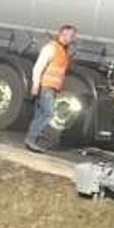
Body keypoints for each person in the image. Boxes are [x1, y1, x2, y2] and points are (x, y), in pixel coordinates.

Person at [25, 24, 78, 152]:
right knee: (48, 113)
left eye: (72, 36)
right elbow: (39, 66)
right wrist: (35, 84)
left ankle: (33, 137)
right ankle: (31, 139)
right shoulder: (51, 48)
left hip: (52, 87)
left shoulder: (63, 51)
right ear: (61, 34)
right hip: (45, 86)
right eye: (68, 35)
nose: (70, 38)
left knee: (40, 113)